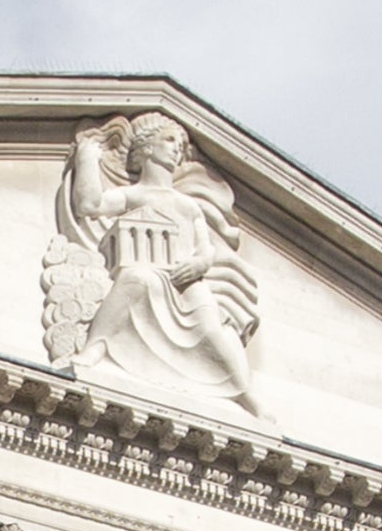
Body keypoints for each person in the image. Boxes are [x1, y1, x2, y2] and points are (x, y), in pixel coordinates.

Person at [43, 112, 266, 411]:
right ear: (147, 148)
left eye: (180, 143)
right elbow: (89, 205)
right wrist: (86, 159)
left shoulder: (187, 206)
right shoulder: (135, 195)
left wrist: (199, 265)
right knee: (136, 277)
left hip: (186, 284)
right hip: (149, 275)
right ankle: (96, 347)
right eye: (169, 140)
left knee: (212, 330)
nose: (177, 148)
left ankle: (243, 395)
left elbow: (205, 250)